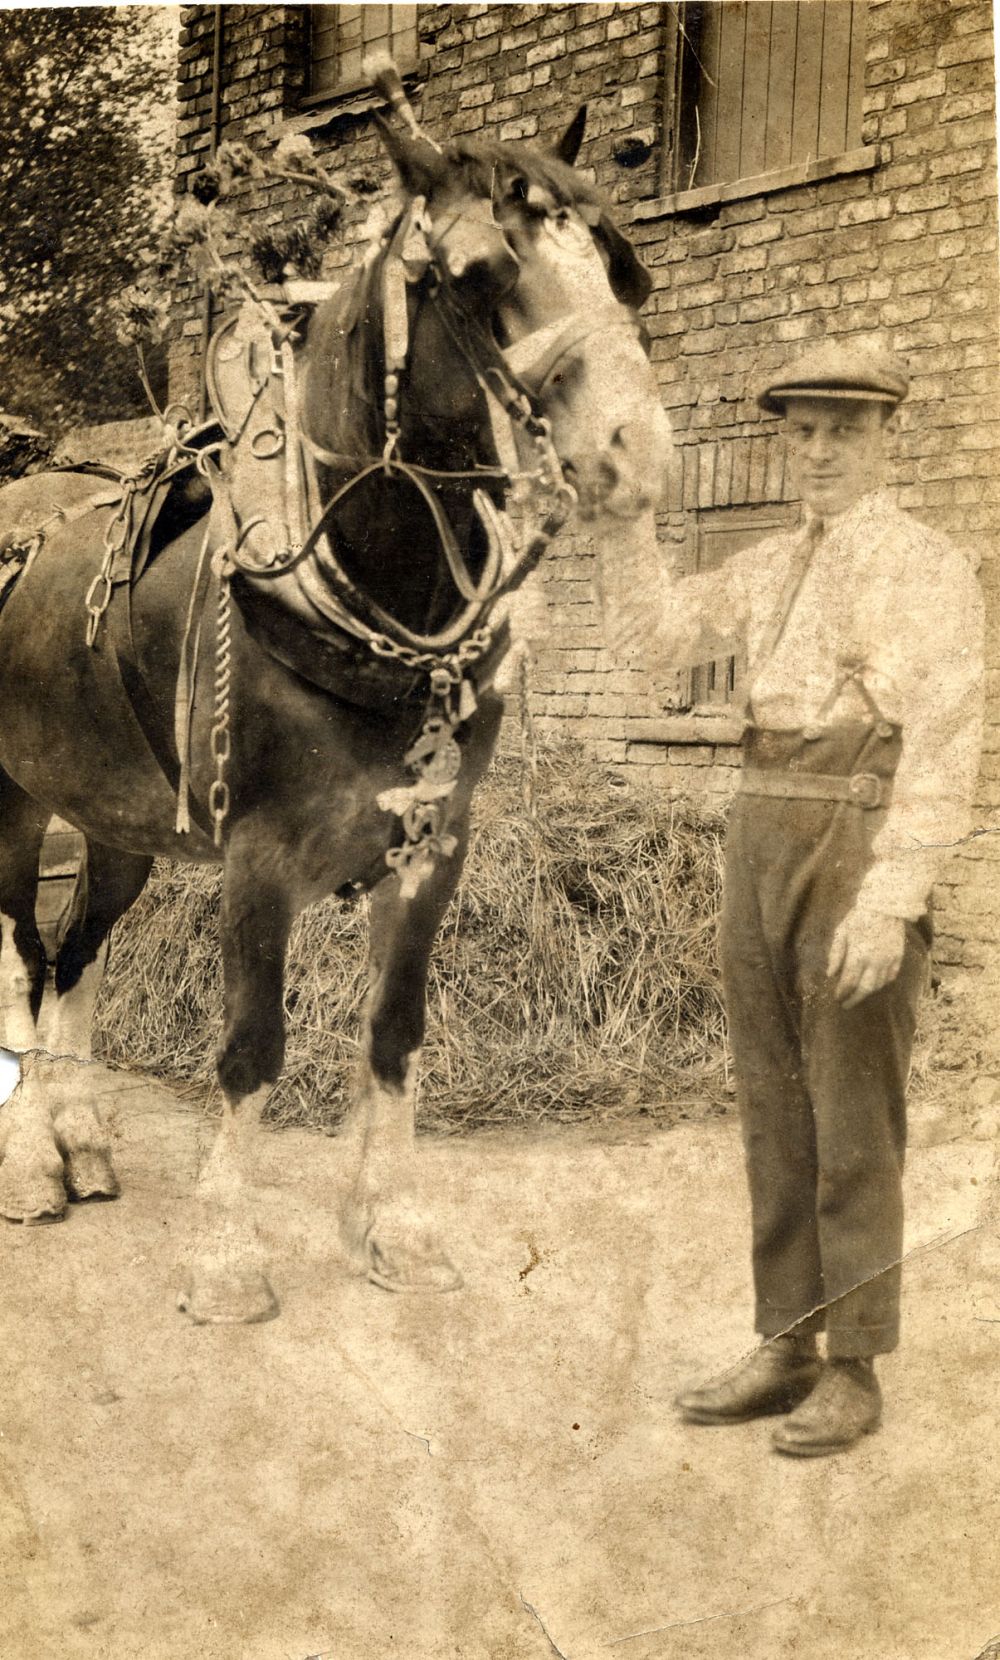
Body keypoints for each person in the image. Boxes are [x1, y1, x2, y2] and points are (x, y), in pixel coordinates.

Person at [597, 342, 985, 1456]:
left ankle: (854, 1361)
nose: (817, 451)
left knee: (851, 1103)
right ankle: (786, 1340)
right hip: (758, 824)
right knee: (773, 1100)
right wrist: (623, 527)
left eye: (842, 431)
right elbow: (655, 640)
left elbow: (946, 742)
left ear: (884, 440)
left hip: (854, 835)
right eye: (802, 431)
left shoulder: (924, 566)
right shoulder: (769, 567)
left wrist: (892, 896)